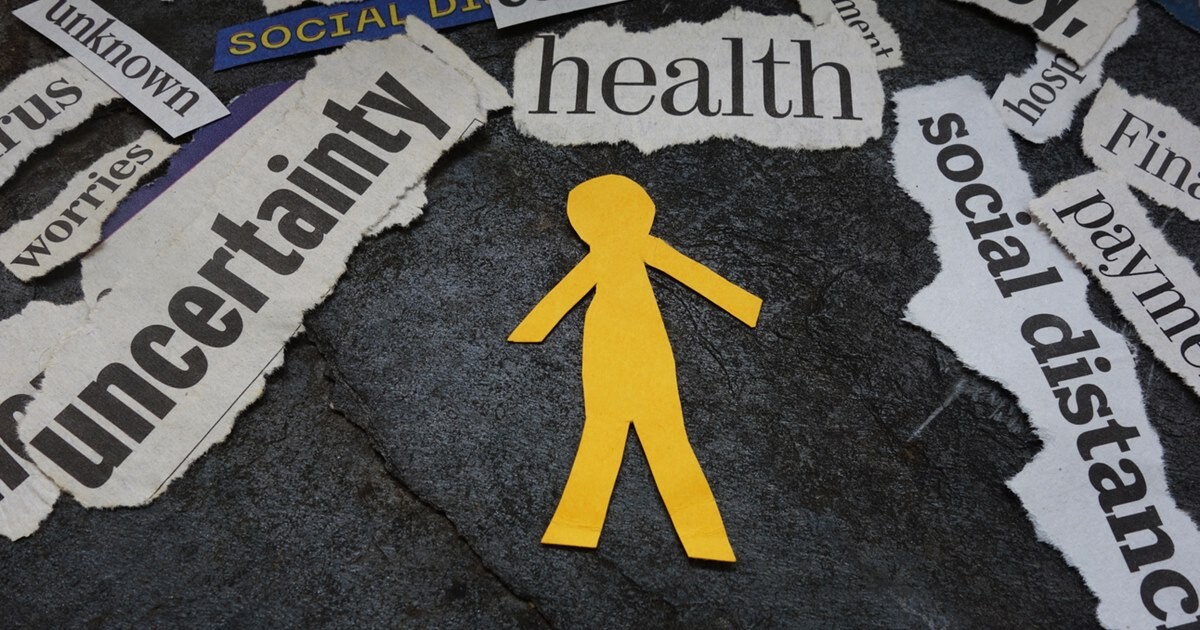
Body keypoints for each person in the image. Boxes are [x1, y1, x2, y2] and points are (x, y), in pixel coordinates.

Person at [509, 174, 762, 562]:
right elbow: (695, 274)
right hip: (634, 349)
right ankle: (701, 539)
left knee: (611, 431)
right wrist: (745, 305)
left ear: (583, 223)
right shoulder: (632, 250)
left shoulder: (608, 257)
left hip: (618, 350)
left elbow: (563, 296)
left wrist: (531, 331)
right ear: (643, 211)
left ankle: (577, 525)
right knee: (651, 433)